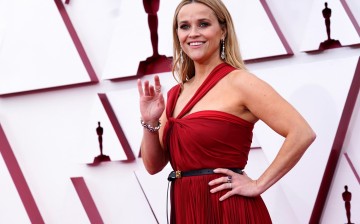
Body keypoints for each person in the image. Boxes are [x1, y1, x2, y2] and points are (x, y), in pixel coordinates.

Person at [137, 0, 316, 223]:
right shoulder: (174, 94)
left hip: (229, 209)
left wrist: (259, 184)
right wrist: (150, 122)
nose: (193, 33)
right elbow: (153, 166)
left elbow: (302, 132)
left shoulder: (240, 82)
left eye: (203, 24)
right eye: (184, 26)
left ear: (223, 31)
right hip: (186, 209)